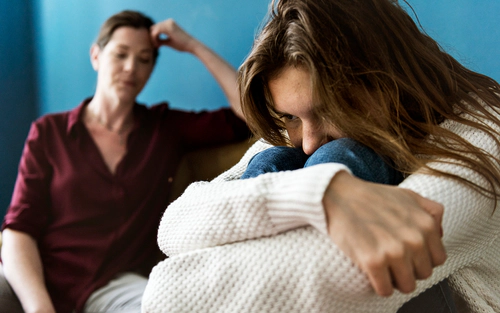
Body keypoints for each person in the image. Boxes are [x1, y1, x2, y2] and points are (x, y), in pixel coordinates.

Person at [142, 0, 500, 312]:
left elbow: (169, 297)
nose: (310, 143)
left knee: (342, 155)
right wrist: (319, 192)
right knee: (277, 162)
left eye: (331, 109)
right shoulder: (298, 132)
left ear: (389, 80)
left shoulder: (484, 135)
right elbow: (174, 226)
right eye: (291, 117)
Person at [0, 10, 249, 313]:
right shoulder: (49, 132)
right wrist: (39, 306)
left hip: (115, 286)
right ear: (96, 56)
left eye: (144, 59)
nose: (131, 67)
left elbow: (248, 114)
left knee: (169, 306)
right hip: (37, 278)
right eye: (121, 54)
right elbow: (18, 229)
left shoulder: (164, 128)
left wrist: (192, 45)